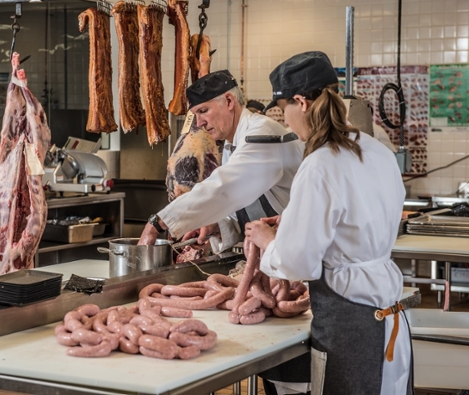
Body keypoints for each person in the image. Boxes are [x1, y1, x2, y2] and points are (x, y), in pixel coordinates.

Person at [245, 51, 413, 395]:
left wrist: (268, 241)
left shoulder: (321, 162)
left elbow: (298, 262)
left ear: (302, 103)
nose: (286, 120)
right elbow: (361, 216)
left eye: (283, 109)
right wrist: (294, 219)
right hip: (388, 310)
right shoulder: (374, 148)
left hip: (350, 323)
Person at [138, 70, 303, 251]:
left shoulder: (263, 133)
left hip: (295, 250)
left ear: (229, 101)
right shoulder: (231, 144)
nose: (199, 123)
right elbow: (239, 209)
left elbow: (223, 189)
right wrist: (217, 227)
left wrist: (159, 222)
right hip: (273, 250)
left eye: (203, 111)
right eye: (196, 114)